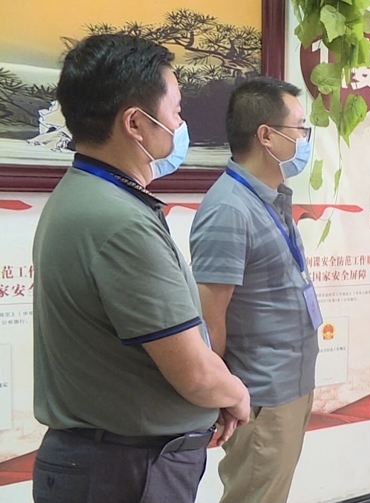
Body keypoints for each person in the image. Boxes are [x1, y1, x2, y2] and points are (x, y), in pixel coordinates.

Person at [31, 34, 250, 503]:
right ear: (135, 123)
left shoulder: (85, 195)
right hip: (125, 471)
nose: (180, 125)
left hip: (109, 462)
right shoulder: (120, 222)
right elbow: (193, 372)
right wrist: (234, 393)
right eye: (176, 112)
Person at [190, 77, 320, 503]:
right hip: (260, 395)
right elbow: (210, 318)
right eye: (300, 128)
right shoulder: (229, 208)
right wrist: (223, 395)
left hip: (290, 385)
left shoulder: (269, 197)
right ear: (266, 135)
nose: (305, 139)